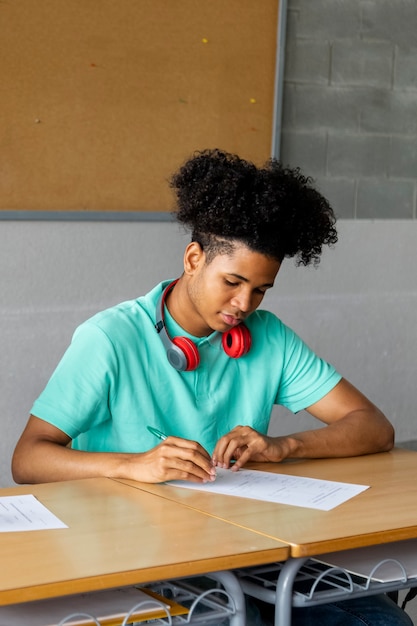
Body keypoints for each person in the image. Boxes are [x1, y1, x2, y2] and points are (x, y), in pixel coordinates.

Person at [12, 149, 411, 626]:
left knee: (381, 623)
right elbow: (28, 459)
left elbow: (373, 428)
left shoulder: (269, 336)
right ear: (194, 258)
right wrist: (133, 465)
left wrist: (284, 445)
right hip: (135, 556)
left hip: (246, 547)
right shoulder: (109, 338)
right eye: (233, 282)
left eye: (260, 289)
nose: (244, 303)